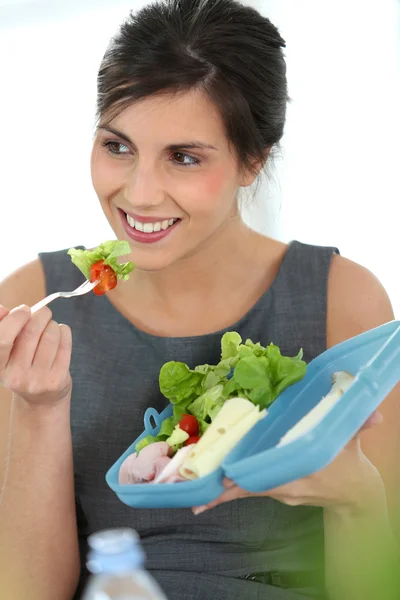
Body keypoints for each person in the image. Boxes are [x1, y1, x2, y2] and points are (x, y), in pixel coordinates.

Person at [0, 1, 399, 599]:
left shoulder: (342, 298)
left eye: (184, 158)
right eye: (117, 146)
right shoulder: (32, 301)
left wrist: (356, 497)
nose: (138, 193)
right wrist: (40, 408)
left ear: (252, 161)